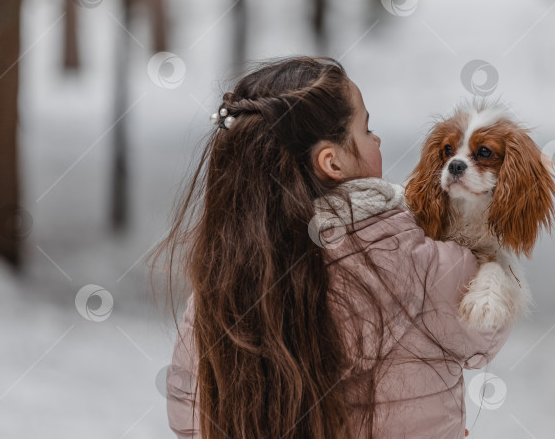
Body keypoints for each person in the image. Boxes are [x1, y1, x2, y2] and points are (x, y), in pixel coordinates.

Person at [150, 56, 513, 438]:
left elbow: (188, 415)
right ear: (332, 162)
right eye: (366, 129)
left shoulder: (219, 282)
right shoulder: (423, 260)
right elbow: (487, 327)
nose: (377, 139)